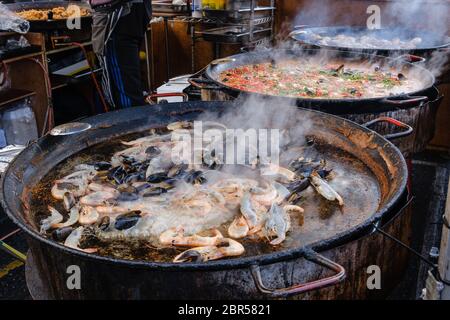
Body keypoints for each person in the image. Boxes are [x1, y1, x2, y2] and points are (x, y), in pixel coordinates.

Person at [90, 0, 151, 109]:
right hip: (131, 19)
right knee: (130, 84)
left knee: (125, 91)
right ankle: (136, 120)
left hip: (118, 24)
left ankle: (131, 122)